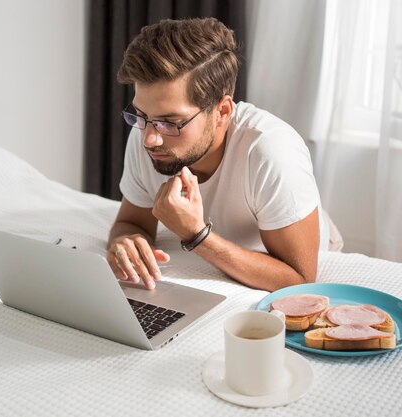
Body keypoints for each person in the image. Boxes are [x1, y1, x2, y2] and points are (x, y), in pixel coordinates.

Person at [106, 17, 340, 293]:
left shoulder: (271, 151)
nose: (150, 139)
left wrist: (197, 235)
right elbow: (130, 223)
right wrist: (125, 241)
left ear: (223, 112)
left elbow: (298, 279)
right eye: (141, 115)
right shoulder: (147, 133)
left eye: (170, 122)